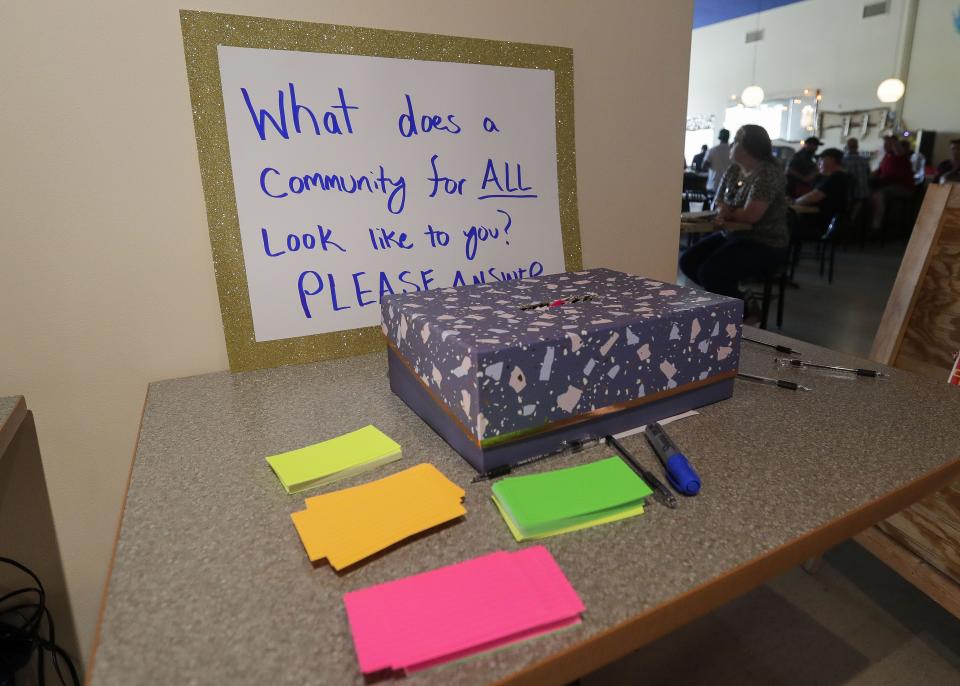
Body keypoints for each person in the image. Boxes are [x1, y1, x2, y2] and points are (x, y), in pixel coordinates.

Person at [680, 125, 789, 323]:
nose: (731, 145)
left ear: (747, 147)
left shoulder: (768, 173)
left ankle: (744, 313)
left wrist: (728, 211)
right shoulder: (734, 169)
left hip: (765, 242)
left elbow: (751, 216)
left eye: (736, 141)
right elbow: (718, 201)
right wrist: (727, 210)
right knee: (688, 261)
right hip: (734, 235)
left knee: (711, 271)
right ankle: (735, 300)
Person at [794, 148, 850, 235]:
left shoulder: (837, 177)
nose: (819, 163)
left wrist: (794, 202)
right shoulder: (832, 176)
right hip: (823, 218)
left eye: (822, 159)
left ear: (831, 160)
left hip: (824, 222)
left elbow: (814, 196)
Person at [870, 135, 914, 231]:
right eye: (885, 143)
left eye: (888, 143)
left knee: (878, 194)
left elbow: (893, 175)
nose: (885, 145)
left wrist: (893, 141)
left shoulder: (901, 157)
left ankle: (876, 226)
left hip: (902, 187)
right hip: (889, 185)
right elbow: (879, 171)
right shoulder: (887, 156)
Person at [703, 129, 732, 195]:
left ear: (719, 138)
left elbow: (704, 166)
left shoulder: (712, 150)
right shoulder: (732, 151)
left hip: (714, 184)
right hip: (728, 186)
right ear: (728, 137)